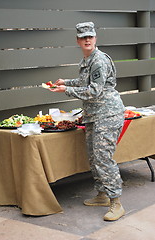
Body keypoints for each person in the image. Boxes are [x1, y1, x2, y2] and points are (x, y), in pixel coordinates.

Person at [48, 22, 125, 221]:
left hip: (107, 114)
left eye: (90, 36)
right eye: (83, 37)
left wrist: (66, 90)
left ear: (95, 38)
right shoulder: (88, 59)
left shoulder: (98, 60)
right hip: (94, 115)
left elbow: (94, 91)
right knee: (93, 156)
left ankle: (116, 202)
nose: (87, 40)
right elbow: (85, 82)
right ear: (78, 41)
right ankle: (102, 195)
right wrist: (66, 82)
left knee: (103, 158)